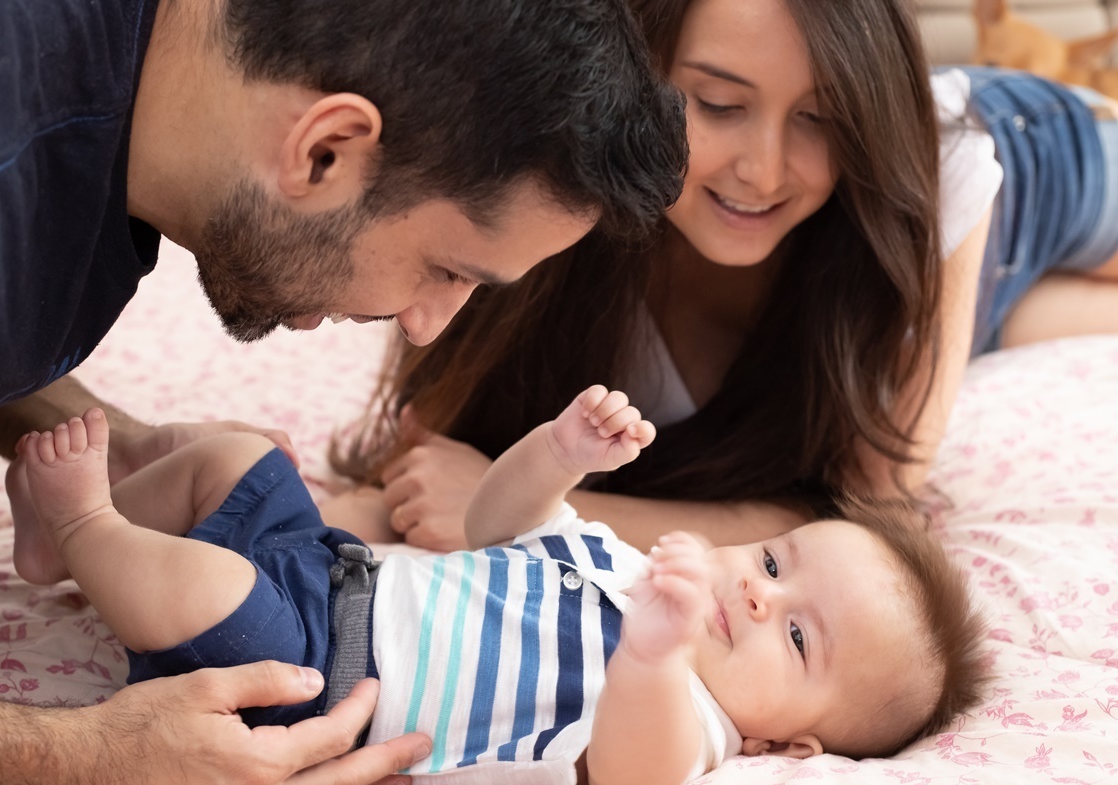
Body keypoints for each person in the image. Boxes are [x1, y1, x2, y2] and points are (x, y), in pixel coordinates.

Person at [0, 0, 689, 785]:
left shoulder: (116, 120)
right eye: (449, 270)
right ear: (324, 151)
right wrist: (84, 760)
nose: (425, 327)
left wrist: (117, 445)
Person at [329, 0, 1118, 553]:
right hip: (951, 281)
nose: (764, 171)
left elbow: (874, 517)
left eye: (819, 117)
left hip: (1033, 158)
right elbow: (416, 464)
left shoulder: (933, 175)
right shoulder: (552, 202)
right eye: (717, 104)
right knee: (984, 322)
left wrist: (545, 504)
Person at [5, 387, 987, 785]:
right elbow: (496, 527)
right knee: (239, 457)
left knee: (202, 588)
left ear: (789, 743)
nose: (762, 599)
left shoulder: (689, 721)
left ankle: (91, 526)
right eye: (774, 564)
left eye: (802, 640)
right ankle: (59, 544)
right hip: (339, 564)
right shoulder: (628, 572)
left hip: (318, 677)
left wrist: (652, 650)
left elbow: (636, 767)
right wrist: (560, 455)